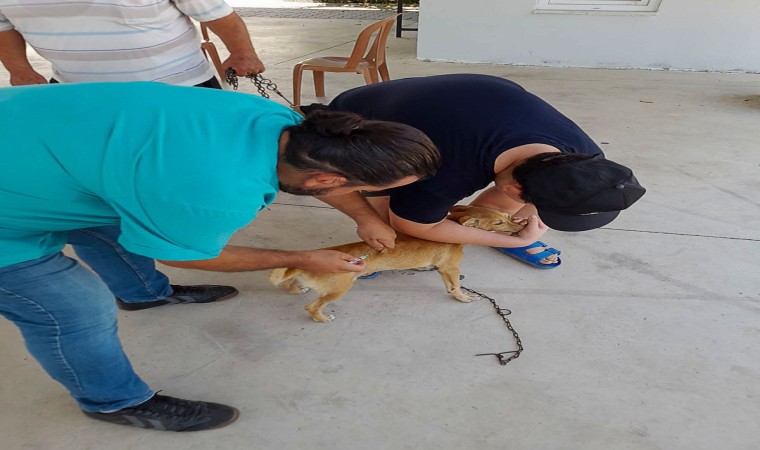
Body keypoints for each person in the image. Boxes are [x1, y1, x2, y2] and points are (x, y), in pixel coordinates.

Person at [0, 81, 441, 431]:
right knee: (72, 308)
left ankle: (142, 293)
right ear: (327, 177)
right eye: (361, 190)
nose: (360, 197)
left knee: (114, 218)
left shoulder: (281, 123)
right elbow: (189, 255)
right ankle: (112, 401)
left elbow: (320, 176)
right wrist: (306, 256)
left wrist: (364, 217)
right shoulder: (214, 192)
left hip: (31, 142)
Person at [0, 0, 267, 309]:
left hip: (182, 96)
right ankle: (141, 290)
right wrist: (19, 69)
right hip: (85, 101)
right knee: (92, 200)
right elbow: (3, 24)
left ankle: (188, 247)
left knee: (205, 183)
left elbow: (219, 14)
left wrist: (243, 52)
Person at [307, 73, 646, 269]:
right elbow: (417, 224)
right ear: (515, 191)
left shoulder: (586, 156)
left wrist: (528, 218)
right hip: (365, 115)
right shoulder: (446, 170)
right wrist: (501, 236)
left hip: (470, 96)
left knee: (505, 203)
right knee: (394, 222)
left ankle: (501, 224)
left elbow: (539, 191)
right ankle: (388, 251)